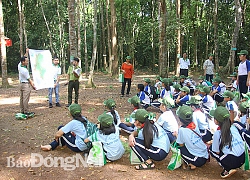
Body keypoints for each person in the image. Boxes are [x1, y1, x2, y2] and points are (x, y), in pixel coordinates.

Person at [209, 106, 245, 178]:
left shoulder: (218, 133)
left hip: (233, 161)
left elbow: (217, 151)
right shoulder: (234, 127)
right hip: (243, 157)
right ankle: (236, 165)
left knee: (211, 149)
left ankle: (227, 169)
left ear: (216, 121)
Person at [176, 105, 209, 170]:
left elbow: (181, 144)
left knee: (178, 147)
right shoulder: (194, 125)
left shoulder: (182, 130)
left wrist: (176, 135)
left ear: (180, 119)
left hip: (198, 160)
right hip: (205, 154)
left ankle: (191, 163)